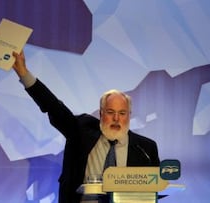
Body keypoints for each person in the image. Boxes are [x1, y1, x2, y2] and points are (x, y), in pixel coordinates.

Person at [12, 51, 160, 203]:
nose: (116, 118)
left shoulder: (146, 149)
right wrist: (24, 74)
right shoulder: (81, 130)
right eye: (111, 112)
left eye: (122, 113)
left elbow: (151, 194)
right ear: (101, 114)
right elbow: (54, 107)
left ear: (129, 114)